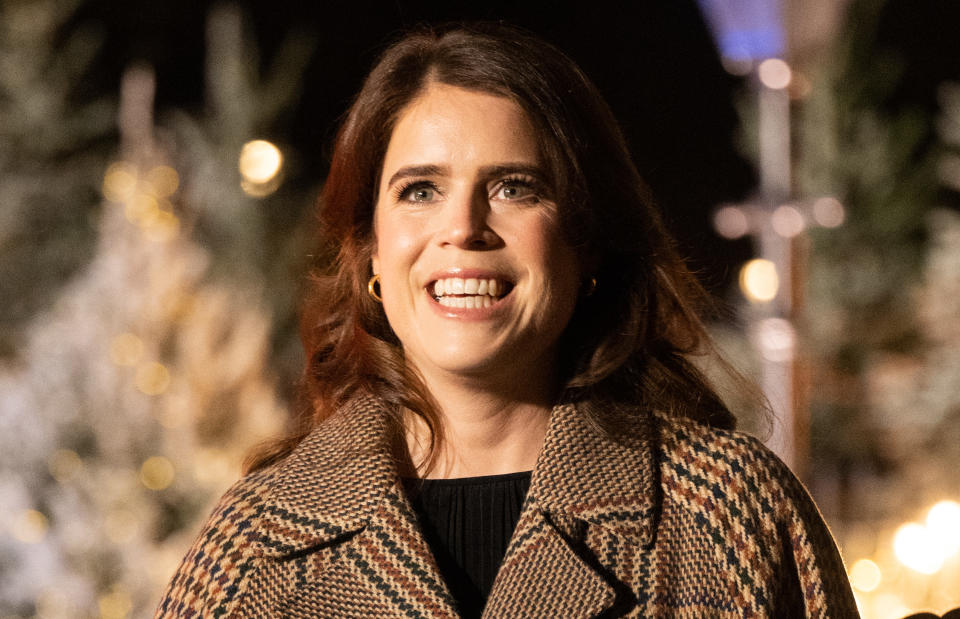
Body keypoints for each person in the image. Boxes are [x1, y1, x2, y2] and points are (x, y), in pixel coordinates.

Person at [155, 23, 859, 618]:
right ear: (370, 252)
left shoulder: (731, 515)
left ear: (586, 245)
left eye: (515, 187)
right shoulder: (252, 548)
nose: (462, 227)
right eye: (420, 190)